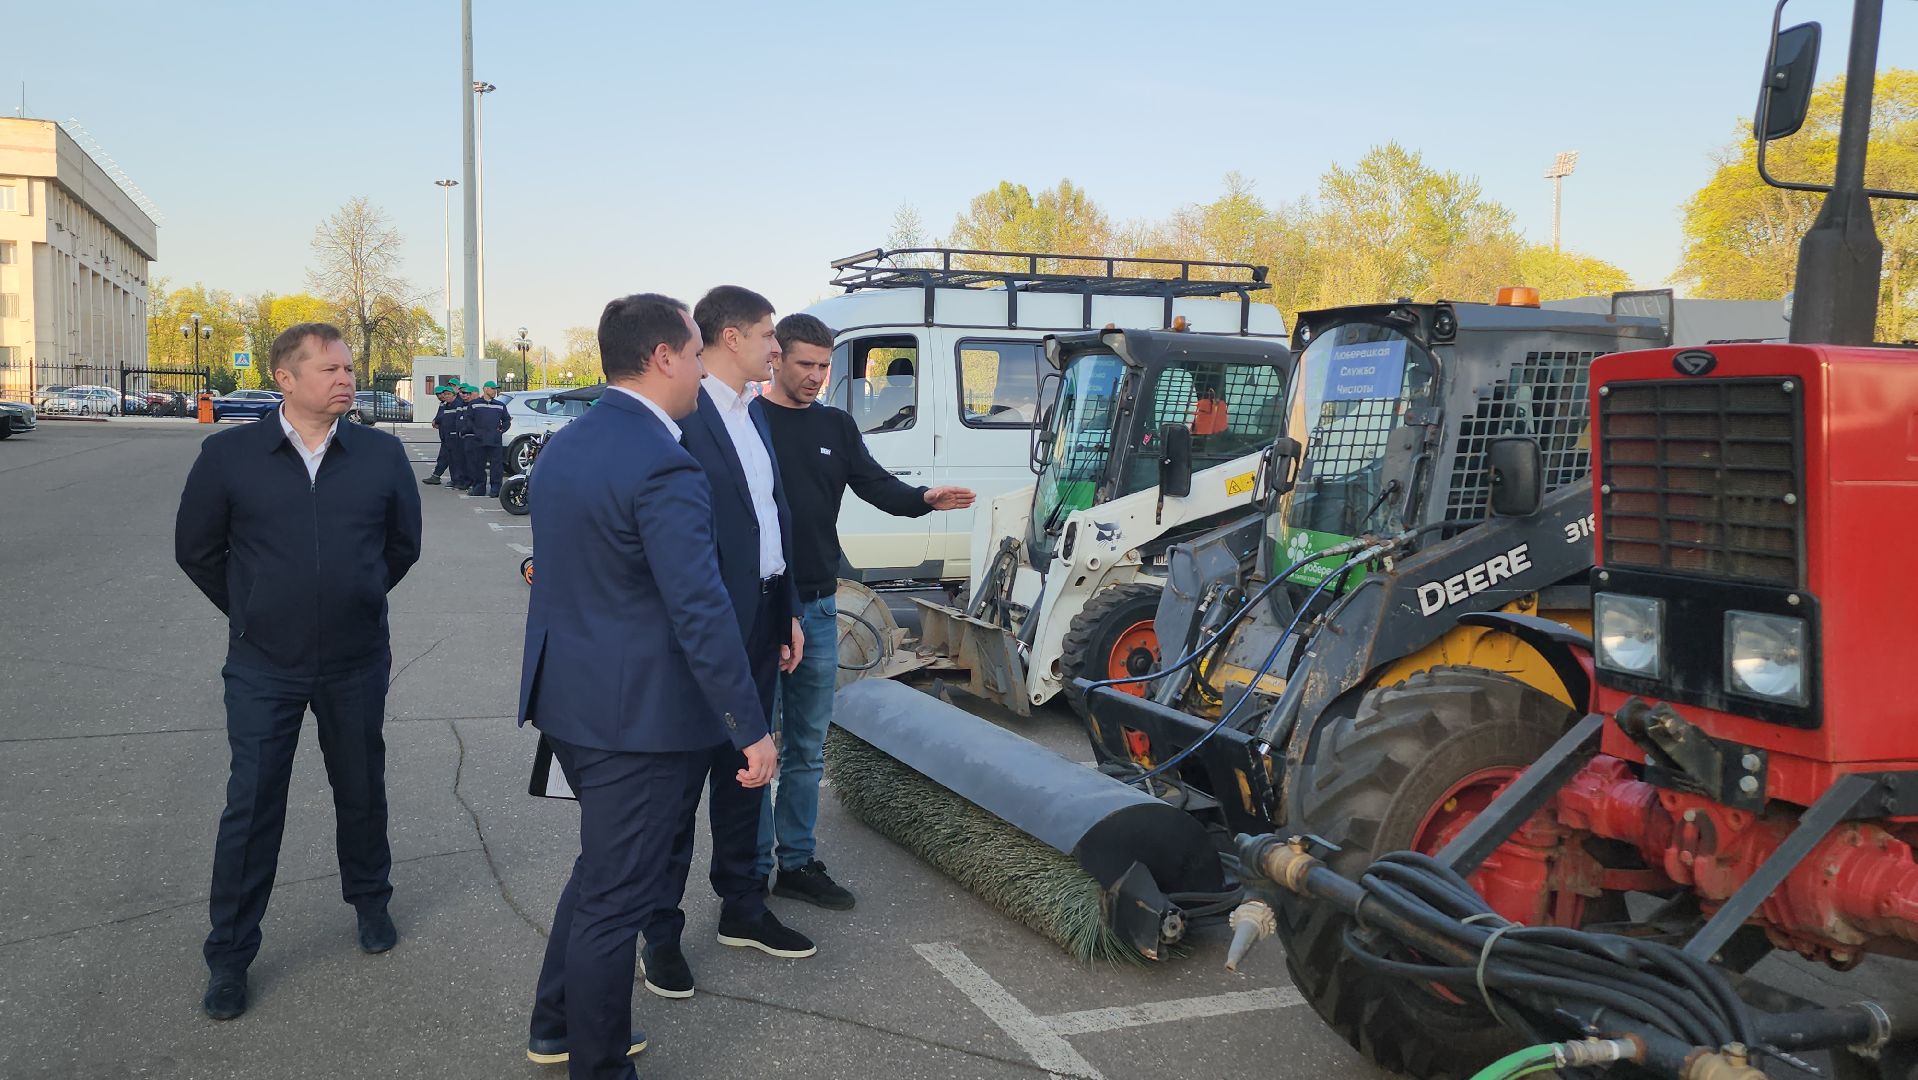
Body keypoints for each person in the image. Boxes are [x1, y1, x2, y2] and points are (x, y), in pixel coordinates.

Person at [519, 292, 776, 1078]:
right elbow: (699, 609)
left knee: (600, 873)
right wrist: (751, 726)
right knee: (614, 900)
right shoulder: (665, 462)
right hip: (639, 721)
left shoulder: (568, 444)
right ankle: (599, 1066)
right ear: (663, 357)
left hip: (573, 700)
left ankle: (556, 1025)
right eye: (696, 354)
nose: (702, 370)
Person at [173, 322, 423, 1021]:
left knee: (361, 788)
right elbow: (196, 550)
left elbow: (402, 546)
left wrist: (355, 598)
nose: (346, 378)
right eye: (331, 369)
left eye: (348, 367)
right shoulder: (230, 456)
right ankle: (229, 955)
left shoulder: (379, 455)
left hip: (355, 661)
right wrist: (254, 610)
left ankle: (370, 904)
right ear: (286, 378)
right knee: (251, 807)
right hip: (264, 667)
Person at [753, 314, 974, 908]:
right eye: (805, 364)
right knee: (754, 749)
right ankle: (748, 875)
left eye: (825, 366)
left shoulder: (835, 425)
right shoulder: (746, 423)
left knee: (806, 745)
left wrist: (924, 499)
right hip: (760, 609)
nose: (816, 377)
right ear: (775, 358)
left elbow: (877, 486)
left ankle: (796, 863)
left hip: (821, 606)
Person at [636, 285, 814, 1002]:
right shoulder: (682, 413)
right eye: (770, 334)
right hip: (703, 631)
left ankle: (742, 906)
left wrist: (788, 612)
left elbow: (771, 518)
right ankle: (660, 933)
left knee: (749, 772)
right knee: (681, 788)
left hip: (763, 616)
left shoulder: (753, 413)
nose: (780, 348)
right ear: (731, 339)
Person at [466, 380, 513, 496]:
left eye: (496, 389)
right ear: (486, 389)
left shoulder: (500, 405)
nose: (495, 391)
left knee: (496, 466)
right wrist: (476, 431)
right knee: (479, 464)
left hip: (495, 440)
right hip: (479, 440)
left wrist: (501, 430)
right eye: (493, 389)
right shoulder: (474, 404)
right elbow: (469, 420)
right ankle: (479, 489)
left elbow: (507, 420)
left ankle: (495, 489)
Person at [422, 382, 460, 485]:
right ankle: (439, 476)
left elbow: (444, 417)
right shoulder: (444, 404)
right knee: (445, 457)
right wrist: (436, 421)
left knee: (450, 458)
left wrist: (437, 420)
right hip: (444, 434)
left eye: (444, 394)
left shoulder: (456, 403)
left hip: (452, 435)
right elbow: (440, 416)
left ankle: (449, 478)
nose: (440, 396)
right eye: (439, 394)